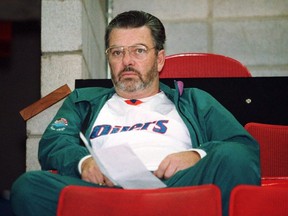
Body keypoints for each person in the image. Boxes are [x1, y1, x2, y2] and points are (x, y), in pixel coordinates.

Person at [11, 10, 260, 216]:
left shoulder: (193, 100)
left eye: (138, 50)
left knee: (234, 157)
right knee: (28, 187)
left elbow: (242, 147)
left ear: (159, 59)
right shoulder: (83, 101)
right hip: (105, 194)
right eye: (117, 52)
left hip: (175, 190)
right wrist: (84, 162)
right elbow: (54, 142)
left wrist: (196, 155)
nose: (127, 60)